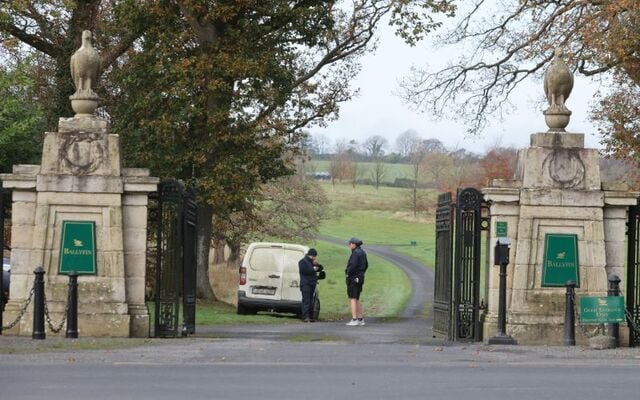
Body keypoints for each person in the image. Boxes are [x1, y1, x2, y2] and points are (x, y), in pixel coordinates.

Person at [345, 237, 368, 326]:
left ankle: (354, 319)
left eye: (350, 243)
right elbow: (366, 265)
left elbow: (352, 266)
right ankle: (360, 318)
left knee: (353, 298)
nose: (349, 245)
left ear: (354, 244)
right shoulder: (363, 252)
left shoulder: (355, 253)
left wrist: (347, 272)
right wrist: (361, 274)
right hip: (360, 277)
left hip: (354, 278)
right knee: (357, 298)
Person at [298, 248, 319, 322]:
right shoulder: (302, 262)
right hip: (306, 284)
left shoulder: (311, 262)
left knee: (310, 301)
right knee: (306, 301)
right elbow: (304, 271)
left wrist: (316, 265)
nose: (314, 258)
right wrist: (313, 269)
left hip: (311, 284)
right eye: (314, 256)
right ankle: (305, 317)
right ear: (310, 255)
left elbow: (318, 269)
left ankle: (310, 316)